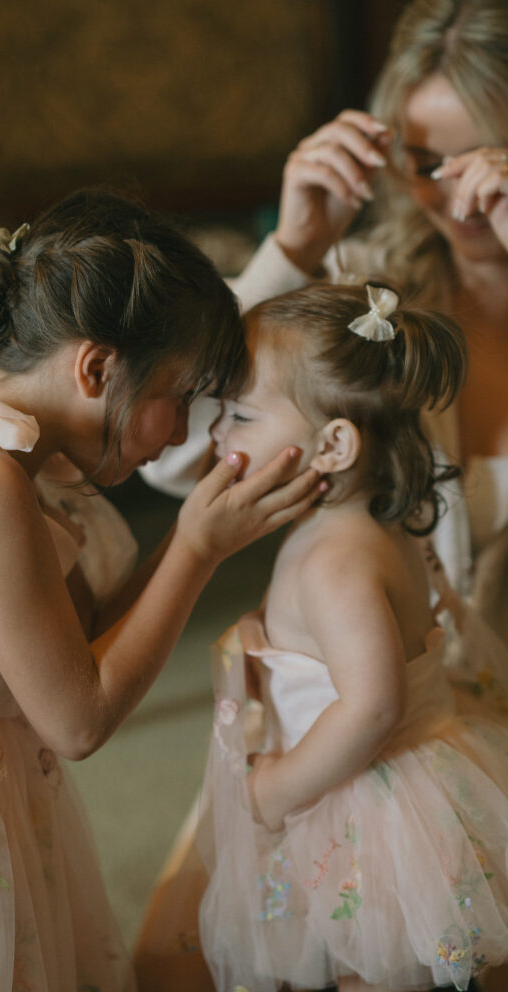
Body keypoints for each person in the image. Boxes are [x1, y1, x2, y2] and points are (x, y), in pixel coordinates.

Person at [0, 188, 323, 992]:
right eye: (181, 397)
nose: (180, 436)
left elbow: (77, 636)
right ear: (94, 366)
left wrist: (198, 532)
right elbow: (79, 718)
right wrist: (195, 551)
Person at [140, 0, 508, 638]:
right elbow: (171, 454)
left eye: (493, 157)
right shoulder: (364, 301)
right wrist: (292, 249)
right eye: (427, 166)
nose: (461, 199)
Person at [198, 282, 508, 992]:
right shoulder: (375, 523)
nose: (216, 435)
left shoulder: (334, 561)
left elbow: (371, 705)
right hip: (407, 772)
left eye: (240, 415)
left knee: (373, 973)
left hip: (370, 796)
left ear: (333, 444)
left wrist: (276, 790)